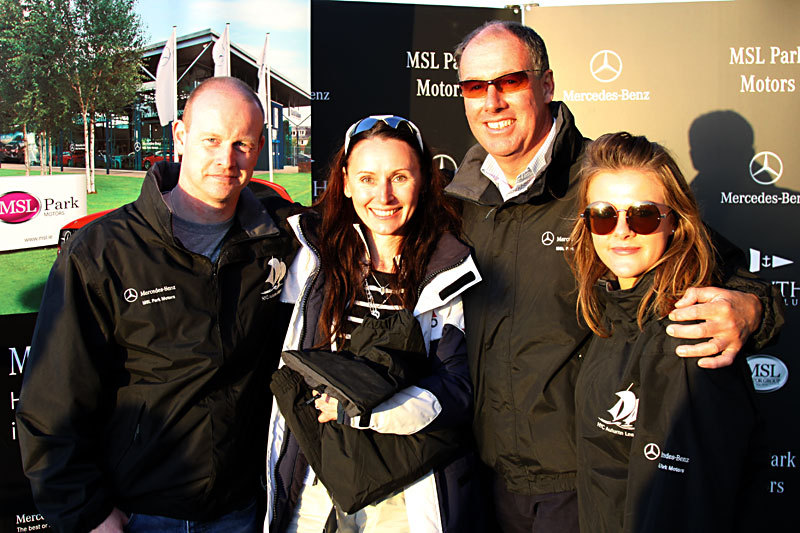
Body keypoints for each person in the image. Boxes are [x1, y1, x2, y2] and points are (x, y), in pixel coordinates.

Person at [443, 21, 781, 532]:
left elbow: (719, 266)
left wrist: (750, 307)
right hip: (485, 477)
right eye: (474, 86)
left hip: (582, 483)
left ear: (547, 84)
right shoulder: (457, 200)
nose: (492, 101)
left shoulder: (603, 180)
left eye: (509, 81)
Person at [16, 77, 298, 533]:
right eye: (210, 140)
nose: (226, 160)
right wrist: (88, 515)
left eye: (242, 144)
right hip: (140, 516)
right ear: (180, 137)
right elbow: (52, 401)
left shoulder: (278, 236)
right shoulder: (104, 251)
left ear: (260, 147)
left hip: (245, 512)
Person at [265, 115, 483, 532]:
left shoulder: (450, 268)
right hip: (315, 490)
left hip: (407, 497)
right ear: (345, 182)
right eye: (367, 178)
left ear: (423, 180)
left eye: (399, 177)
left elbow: (458, 389)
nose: (383, 195)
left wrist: (364, 409)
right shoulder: (310, 260)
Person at [568, 132, 758, 532]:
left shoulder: (689, 333)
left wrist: (757, 304)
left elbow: (686, 504)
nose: (621, 231)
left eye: (642, 215)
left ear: (675, 221)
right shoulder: (612, 313)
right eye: (603, 214)